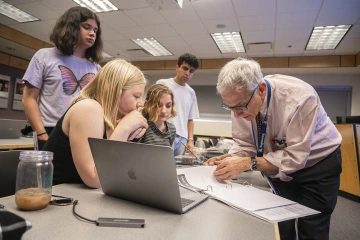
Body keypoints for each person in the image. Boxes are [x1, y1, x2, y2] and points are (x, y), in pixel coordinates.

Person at [204, 58, 342, 240]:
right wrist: (230, 159)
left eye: (240, 107)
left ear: (261, 89)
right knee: (280, 223)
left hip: (317, 165)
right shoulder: (241, 99)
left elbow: (295, 157)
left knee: (312, 228)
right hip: (276, 167)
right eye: (230, 107)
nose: (236, 114)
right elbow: (245, 143)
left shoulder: (300, 98)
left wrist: (248, 163)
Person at [42, 59, 148, 189]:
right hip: (54, 196)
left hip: (81, 197)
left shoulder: (111, 120)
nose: (141, 103)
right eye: (136, 96)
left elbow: (120, 170)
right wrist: (124, 129)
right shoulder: (88, 108)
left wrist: (131, 131)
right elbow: (95, 179)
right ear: (115, 92)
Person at [22, 6, 103, 150]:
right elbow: (29, 98)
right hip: (50, 130)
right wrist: (41, 134)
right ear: (71, 27)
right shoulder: (44, 56)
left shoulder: (96, 68)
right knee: (50, 173)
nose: (92, 33)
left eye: (95, 30)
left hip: (83, 130)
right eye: (87, 27)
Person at [156, 53, 200, 155]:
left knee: (179, 169)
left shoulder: (191, 92)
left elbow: (190, 119)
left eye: (191, 71)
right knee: (162, 166)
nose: (187, 73)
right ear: (177, 67)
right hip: (164, 134)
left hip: (182, 139)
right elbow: (153, 109)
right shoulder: (163, 84)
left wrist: (190, 140)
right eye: (185, 68)